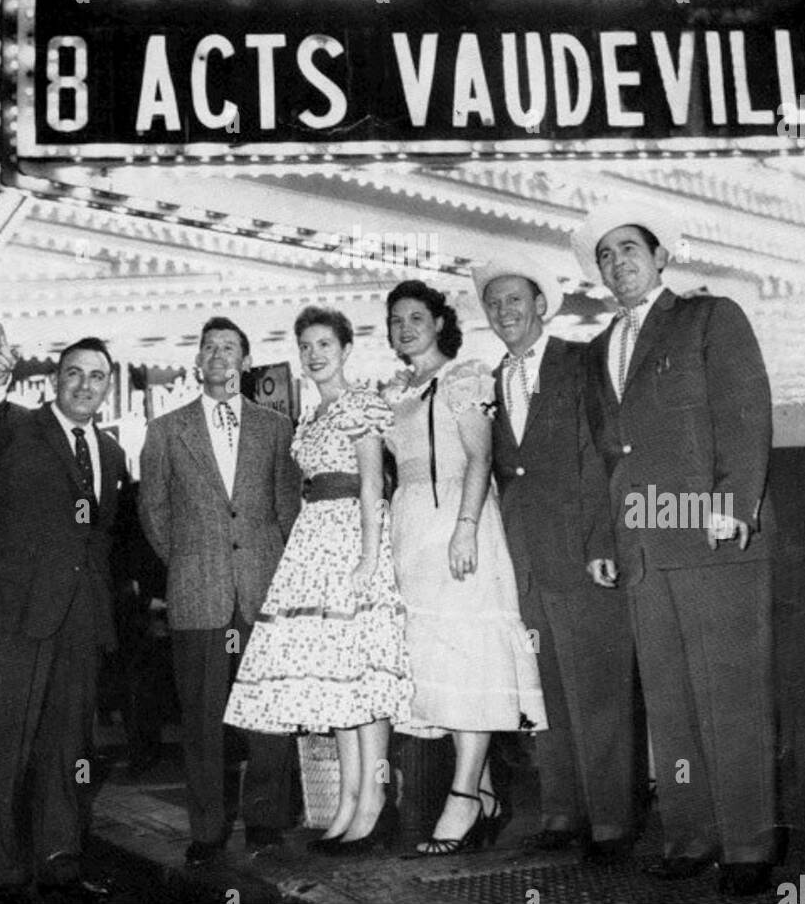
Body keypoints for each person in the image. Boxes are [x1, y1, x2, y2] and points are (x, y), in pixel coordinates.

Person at [573, 198, 777, 898]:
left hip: (710, 532)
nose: (617, 262)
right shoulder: (602, 348)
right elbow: (609, 455)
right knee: (670, 704)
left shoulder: (709, 317)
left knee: (731, 697)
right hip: (641, 548)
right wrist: (605, 537)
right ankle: (690, 837)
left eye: (629, 248)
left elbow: (745, 412)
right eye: (605, 255)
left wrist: (732, 505)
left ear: (660, 257)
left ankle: (748, 845)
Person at [226, 306, 412, 854]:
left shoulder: (361, 405)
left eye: (324, 344)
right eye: (306, 345)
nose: (314, 354)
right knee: (339, 684)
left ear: (345, 349)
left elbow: (373, 486)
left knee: (365, 679)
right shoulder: (310, 416)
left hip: (353, 540)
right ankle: (349, 802)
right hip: (314, 545)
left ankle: (374, 803)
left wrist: (368, 559)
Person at [0, 327, 130, 901]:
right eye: (74, 373)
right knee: (4, 747)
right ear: (56, 380)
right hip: (12, 616)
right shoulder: (18, 427)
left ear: (109, 387)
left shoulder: (111, 452)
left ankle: (59, 854)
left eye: (97, 376)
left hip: (79, 621)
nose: (85, 384)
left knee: (69, 747)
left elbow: (101, 540)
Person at [474, 256, 637, 860]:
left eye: (516, 300)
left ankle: (613, 823)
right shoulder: (489, 383)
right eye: (494, 304)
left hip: (581, 550)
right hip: (522, 560)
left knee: (598, 690)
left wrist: (602, 542)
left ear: (542, 305)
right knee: (546, 694)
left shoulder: (581, 360)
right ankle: (563, 813)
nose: (505, 312)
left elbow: (605, 454)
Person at [383, 279, 546, 855]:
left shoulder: (465, 377)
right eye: (396, 319)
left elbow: (479, 454)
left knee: (469, 657)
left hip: (458, 520)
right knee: (436, 662)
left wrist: (466, 527)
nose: (406, 327)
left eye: (416, 317)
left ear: (439, 323)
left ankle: (463, 796)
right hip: (411, 532)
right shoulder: (396, 390)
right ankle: (484, 791)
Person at [138, 317, 301, 866]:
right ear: (197, 362)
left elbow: (287, 510)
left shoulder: (277, 429)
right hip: (199, 593)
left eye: (229, 347)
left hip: (263, 591)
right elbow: (154, 514)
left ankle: (266, 823)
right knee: (203, 720)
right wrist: (191, 563)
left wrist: (270, 571)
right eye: (209, 347)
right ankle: (207, 831)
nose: (218, 355)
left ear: (247, 362)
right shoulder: (165, 431)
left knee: (268, 717)